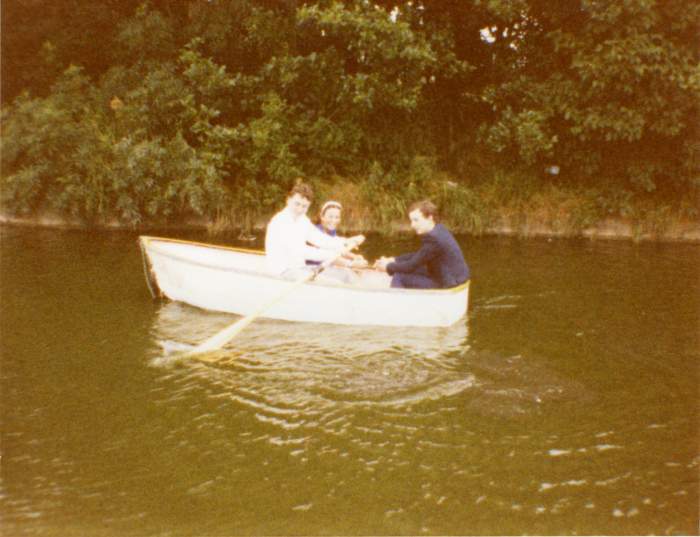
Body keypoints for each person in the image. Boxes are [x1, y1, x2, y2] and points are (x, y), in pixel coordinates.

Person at [265, 183, 363, 278]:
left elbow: (320, 239)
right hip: (282, 272)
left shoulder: (302, 219)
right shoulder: (280, 222)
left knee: (344, 276)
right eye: (297, 204)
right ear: (288, 200)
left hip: (300, 268)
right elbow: (303, 251)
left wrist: (346, 242)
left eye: (304, 206)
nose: (300, 209)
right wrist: (336, 255)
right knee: (330, 282)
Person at [374, 200, 470, 289]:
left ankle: (397, 305)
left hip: (449, 283)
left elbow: (410, 266)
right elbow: (420, 255)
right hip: (456, 278)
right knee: (404, 269)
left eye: (416, 220)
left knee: (399, 276)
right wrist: (394, 259)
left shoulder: (434, 239)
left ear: (429, 218)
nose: (412, 225)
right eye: (411, 220)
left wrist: (387, 267)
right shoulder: (439, 229)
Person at [307, 200, 368, 270]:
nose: (334, 220)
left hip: (326, 268)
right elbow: (328, 255)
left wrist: (354, 256)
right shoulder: (316, 232)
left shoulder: (331, 232)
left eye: (337, 217)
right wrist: (351, 264)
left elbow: (337, 249)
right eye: (330, 217)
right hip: (312, 269)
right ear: (322, 216)